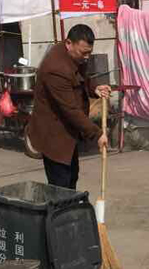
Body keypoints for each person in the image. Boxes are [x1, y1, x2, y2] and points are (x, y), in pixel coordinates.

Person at [28, 24, 111, 189]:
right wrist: (97, 134)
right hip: (53, 134)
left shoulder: (73, 56)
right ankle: (58, 213)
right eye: (84, 53)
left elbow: (80, 78)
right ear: (68, 43)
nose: (87, 57)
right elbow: (70, 109)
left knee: (72, 175)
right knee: (61, 185)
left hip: (67, 132)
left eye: (89, 52)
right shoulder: (55, 69)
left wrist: (94, 88)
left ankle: (69, 210)